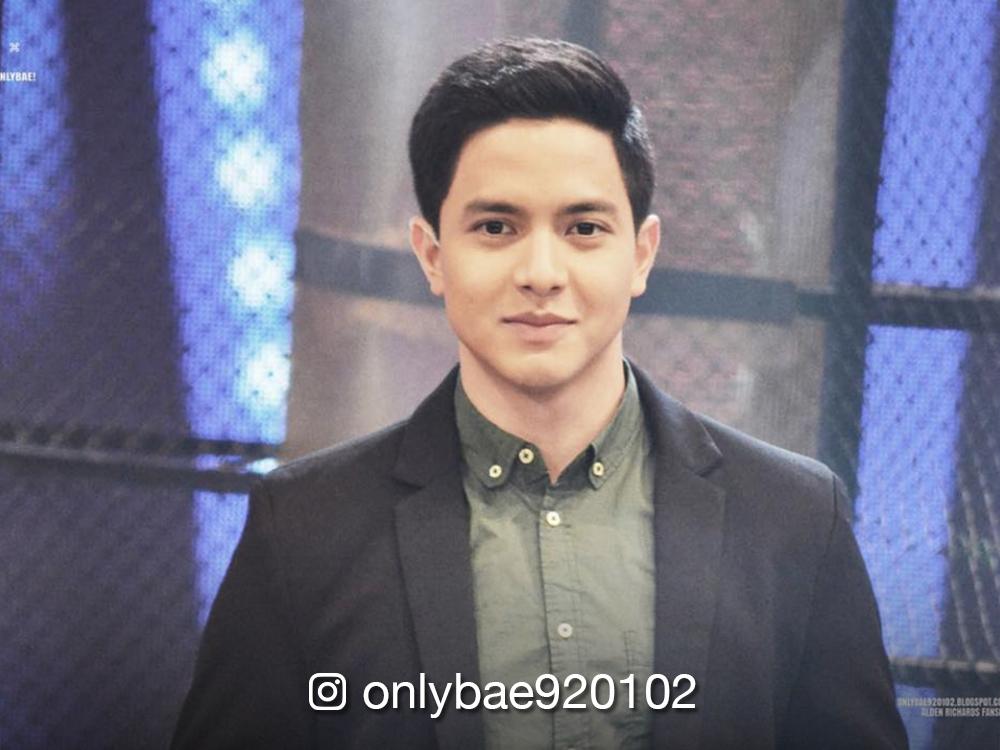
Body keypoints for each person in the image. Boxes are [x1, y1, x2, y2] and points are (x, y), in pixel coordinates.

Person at [172, 38, 907, 750]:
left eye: (584, 228)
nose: (542, 273)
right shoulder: (305, 527)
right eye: (497, 227)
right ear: (432, 256)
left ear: (641, 254)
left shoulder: (793, 518)